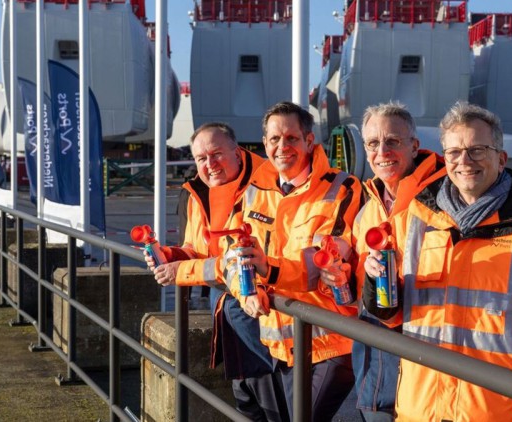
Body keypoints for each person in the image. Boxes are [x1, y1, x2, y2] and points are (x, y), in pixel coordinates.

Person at [362, 101, 512, 421]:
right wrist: (375, 284)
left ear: (501, 157)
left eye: (478, 150)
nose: (464, 161)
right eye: (454, 152)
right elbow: (391, 316)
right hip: (420, 408)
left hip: (498, 411)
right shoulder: (413, 220)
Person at [227, 101, 363, 421]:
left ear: (309, 141)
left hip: (330, 343)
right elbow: (231, 256)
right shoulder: (254, 192)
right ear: (265, 144)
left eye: (291, 138)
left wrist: (266, 268)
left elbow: (320, 263)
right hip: (279, 342)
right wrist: (244, 291)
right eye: (274, 139)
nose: (282, 146)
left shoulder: (342, 188)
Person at [147, 122, 289, 422]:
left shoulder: (271, 182)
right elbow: (197, 249)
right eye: (201, 158)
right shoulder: (197, 191)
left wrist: (182, 271)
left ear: (237, 153)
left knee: (274, 394)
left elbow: (237, 263)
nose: (209, 165)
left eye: (216, 154)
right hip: (226, 308)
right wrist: (170, 256)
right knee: (246, 394)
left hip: (264, 309)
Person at [340, 102, 445, 422]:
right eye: (372, 143)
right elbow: (359, 289)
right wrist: (341, 275)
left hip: (426, 359)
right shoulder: (366, 208)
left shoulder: (445, 198)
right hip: (374, 359)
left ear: (415, 146)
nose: (381, 151)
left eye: (392, 141)